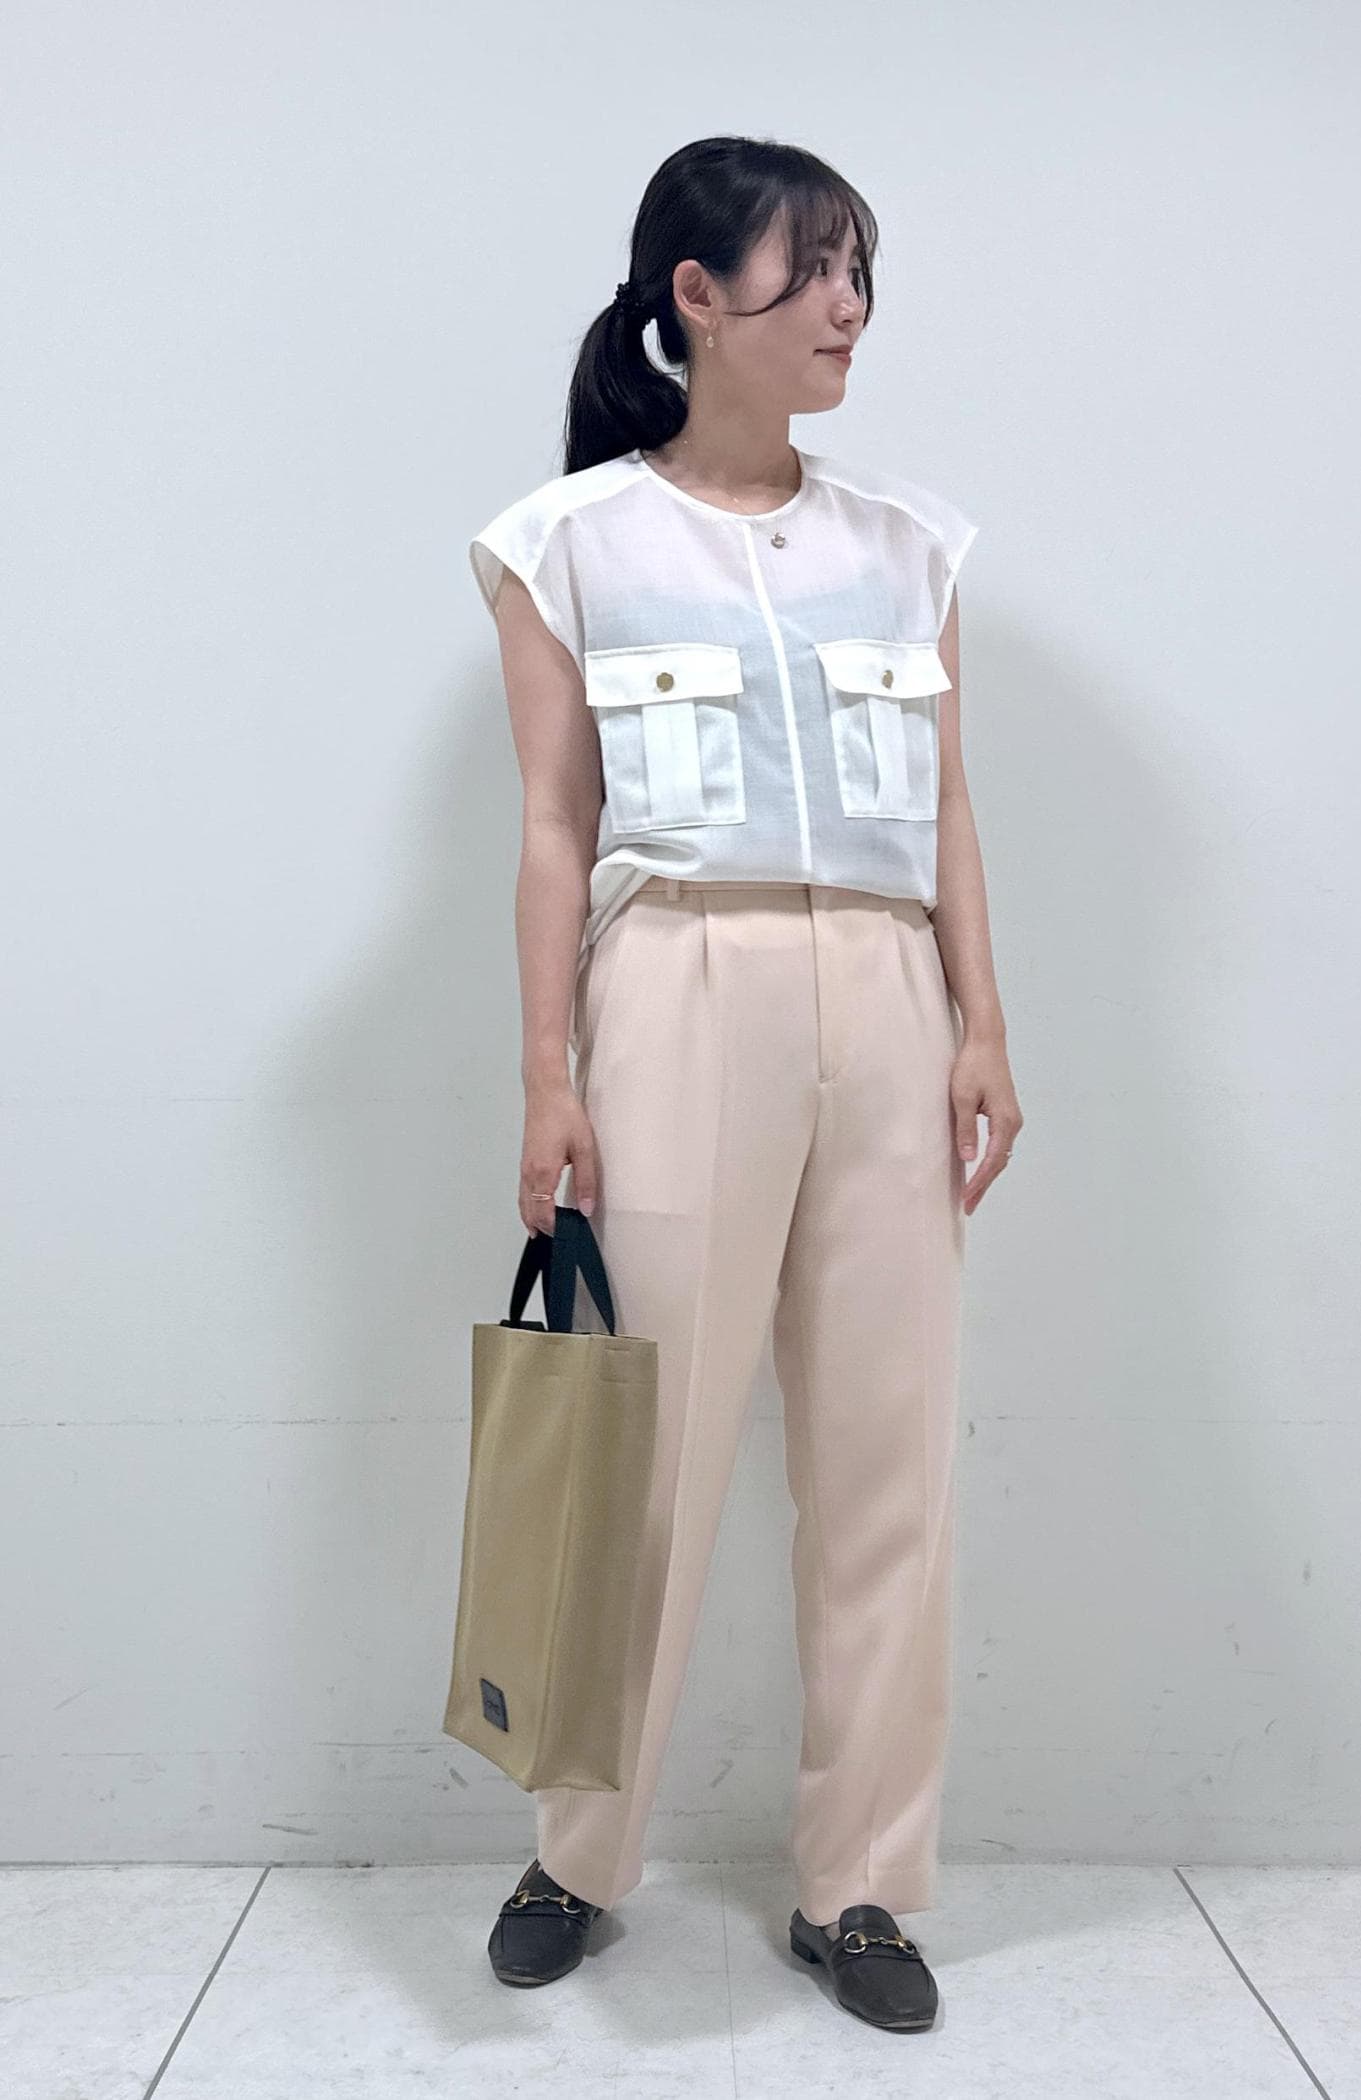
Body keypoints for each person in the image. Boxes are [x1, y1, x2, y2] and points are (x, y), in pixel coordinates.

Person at [466, 135, 1021, 2033]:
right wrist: (546, 1071)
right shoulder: (564, 543)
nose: (852, 306)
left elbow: (949, 811)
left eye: (863, 271)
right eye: (816, 269)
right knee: (644, 1451)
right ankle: (576, 1849)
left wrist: (982, 1024)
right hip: (676, 989)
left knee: (886, 1462)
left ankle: (857, 1883)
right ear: (695, 297)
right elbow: (556, 826)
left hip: (887, 993)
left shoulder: (913, 548)